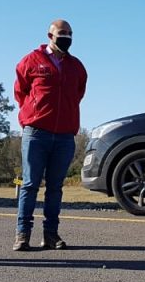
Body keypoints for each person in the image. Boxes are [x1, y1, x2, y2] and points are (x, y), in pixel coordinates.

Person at [12, 20, 88, 251]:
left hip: (65, 136)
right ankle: (22, 234)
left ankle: (51, 234)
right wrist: (35, 114)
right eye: (61, 33)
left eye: (70, 33)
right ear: (50, 35)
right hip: (36, 133)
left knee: (55, 187)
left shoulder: (76, 66)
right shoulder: (31, 61)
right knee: (30, 184)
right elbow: (20, 92)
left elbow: (78, 94)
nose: (66, 37)